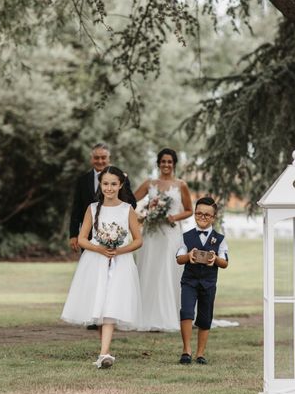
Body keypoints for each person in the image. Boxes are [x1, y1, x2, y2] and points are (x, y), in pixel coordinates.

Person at [61, 166, 143, 369]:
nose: (109, 188)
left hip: (119, 262)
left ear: (121, 185)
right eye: (105, 183)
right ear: (101, 185)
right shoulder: (92, 208)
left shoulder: (127, 210)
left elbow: (138, 240)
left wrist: (118, 250)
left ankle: (104, 353)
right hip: (96, 262)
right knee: (99, 304)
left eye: (113, 184)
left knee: (111, 306)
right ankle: (103, 349)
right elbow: (82, 239)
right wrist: (100, 248)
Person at [133, 148, 193, 331]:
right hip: (151, 234)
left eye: (169, 162)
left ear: (174, 164)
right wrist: (144, 211)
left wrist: (175, 217)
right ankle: (146, 314)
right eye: (163, 161)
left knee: (169, 270)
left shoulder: (181, 184)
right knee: (150, 269)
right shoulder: (150, 184)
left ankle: (171, 314)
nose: (166, 165)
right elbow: (130, 201)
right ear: (158, 163)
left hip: (171, 235)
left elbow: (189, 210)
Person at [175, 197, 228, 365]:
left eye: (207, 215)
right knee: (187, 312)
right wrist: (189, 256)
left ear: (213, 217)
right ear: (195, 215)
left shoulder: (219, 239)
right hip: (189, 281)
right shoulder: (187, 236)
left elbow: (225, 262)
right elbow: (178, 258)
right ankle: (186, 350)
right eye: (199, 213)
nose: (202, 217)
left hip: (208, 283)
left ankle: (200, 353)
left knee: (205, 317)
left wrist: (215, 259)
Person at [68, 143, 137, 253]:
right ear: (91, 159)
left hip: (115, 234)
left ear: (109, 158)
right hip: (89, 236)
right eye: (96, 158)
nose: (100, 161)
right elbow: (77, 208)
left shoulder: (121, 178)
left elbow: (132, 203)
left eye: (103, 158)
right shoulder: (83, 180)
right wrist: (73, 234)